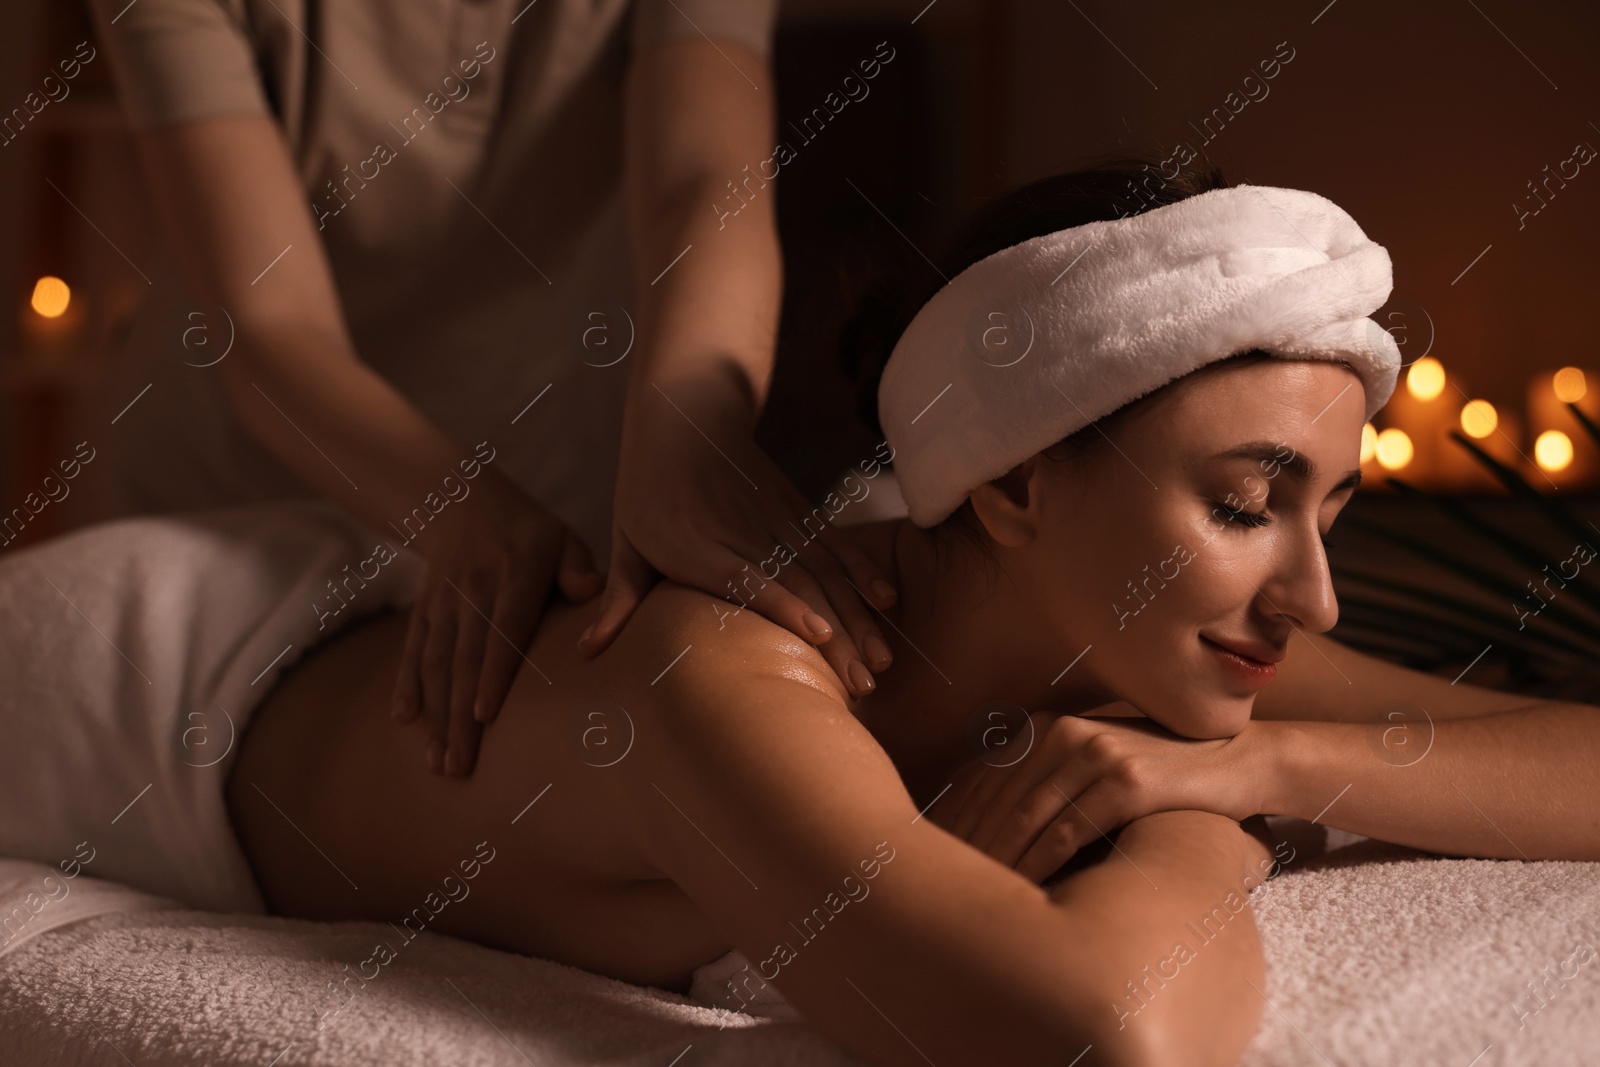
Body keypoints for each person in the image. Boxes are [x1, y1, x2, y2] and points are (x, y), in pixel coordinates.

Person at [7, 159, 1598, 1066]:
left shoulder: (1144, 629)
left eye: (1329, 512)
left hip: (346, 606)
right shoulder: (726, 671)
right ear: (1016, 482)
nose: (1307, 590)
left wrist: (1244, 766)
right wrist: (1199, 822)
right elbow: (1095, 1036)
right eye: (1244, 504)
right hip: (124, 683)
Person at [81, 0, 900, 784]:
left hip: (554, 471)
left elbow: (701, 181)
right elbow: (270, 324)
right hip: (238, 507)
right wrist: (462, 510)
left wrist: (693, 429)